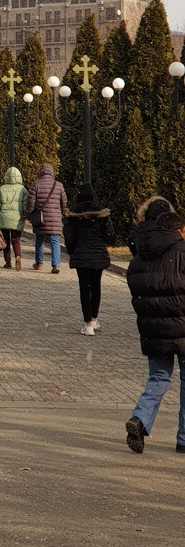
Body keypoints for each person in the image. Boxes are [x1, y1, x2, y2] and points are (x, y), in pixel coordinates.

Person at [125, 206, 185, 455]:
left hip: (153, 329)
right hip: (183, 327)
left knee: (158, 378)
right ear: (179, 231)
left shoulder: (141, 255)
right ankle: (183, 439)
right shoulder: (183, 251)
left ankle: (140, 419)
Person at [63, 183, 114, 334]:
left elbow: (69, 237)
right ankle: (94, 318)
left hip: (81, 254)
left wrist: (72, 251)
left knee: (84, 288)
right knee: (96, 286)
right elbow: (109, 234)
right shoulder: (101, 212)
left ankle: (88, 325)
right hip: (98, 254)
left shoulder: (73, 214)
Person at [26, 162, 68, 272]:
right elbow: (64, 201)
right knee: (55, 241)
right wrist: (62, 213)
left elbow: (31, 203)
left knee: (39, 240)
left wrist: (29, 214)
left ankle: (39, 263)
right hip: (55, 218)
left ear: (41, 172)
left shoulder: (36, 185)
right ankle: (56, 264)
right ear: (52, 173)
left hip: (41, 219)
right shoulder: (58, 185)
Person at [0, 166, 28, 271]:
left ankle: (8, 262)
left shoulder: (1, 189)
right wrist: (23, 215)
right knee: (16, 240)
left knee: (5, 241)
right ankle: (18, 255)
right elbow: (25, 205)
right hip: (17, 219)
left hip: (4, 218)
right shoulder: (23, 190)